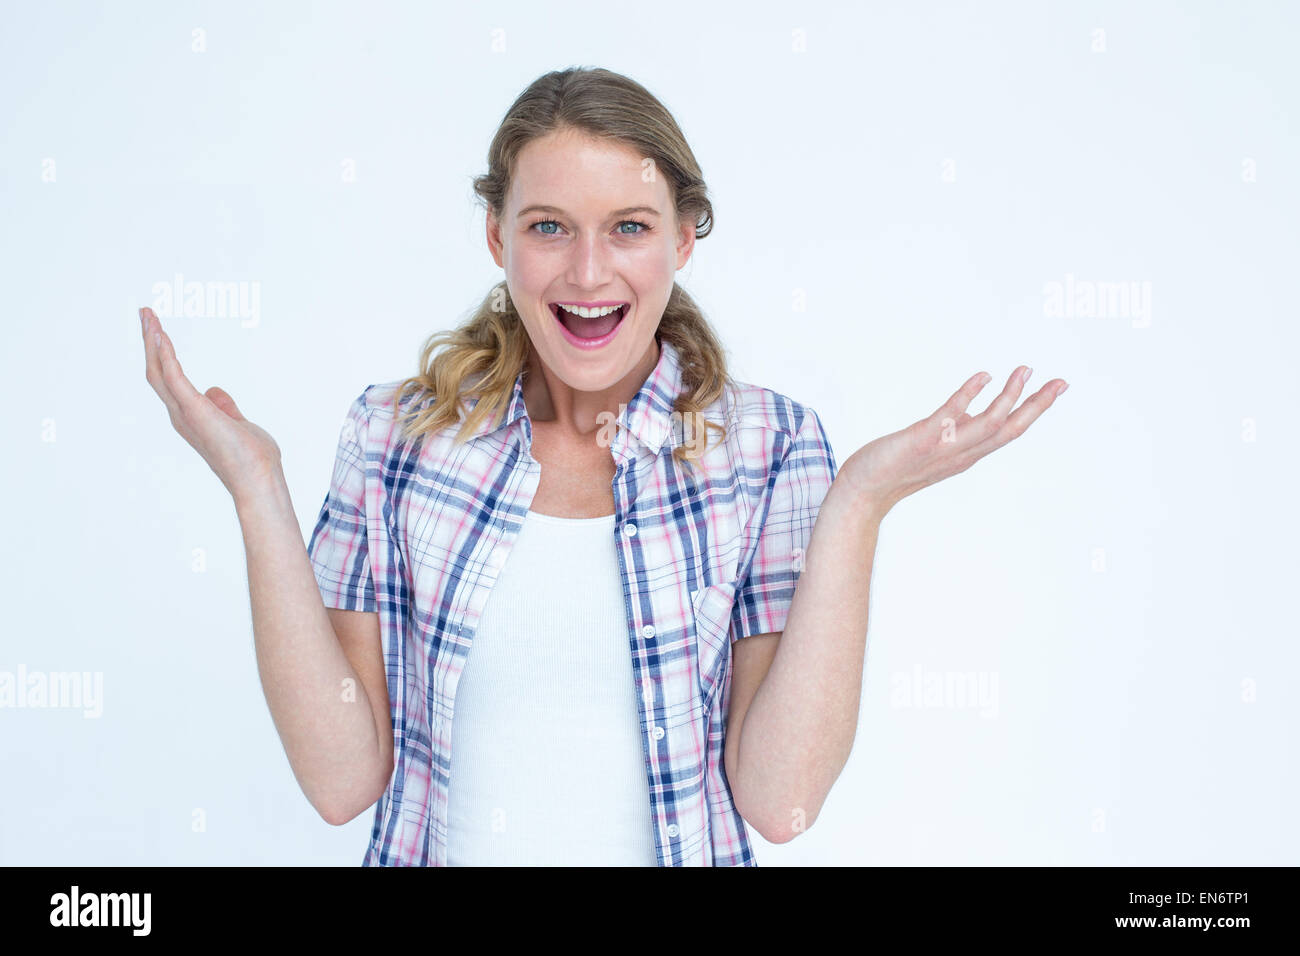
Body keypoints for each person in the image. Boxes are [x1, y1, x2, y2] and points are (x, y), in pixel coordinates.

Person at [139, 67, 1067, 867]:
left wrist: (860, 504)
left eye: (628, 227)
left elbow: (780, 802)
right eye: (549, 227)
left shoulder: (770, 448)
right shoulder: (395, 437)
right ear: (497, 239)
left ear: (683, 239)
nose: (588, 273)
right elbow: (343, 782)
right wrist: (257, 491)